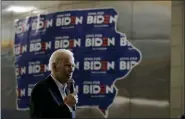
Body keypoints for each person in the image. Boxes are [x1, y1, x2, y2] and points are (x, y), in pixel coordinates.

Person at [29, 49, 78, 119]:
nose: (71, 69)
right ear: (54, 67)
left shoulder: (67, 91)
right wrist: (68, 106)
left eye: (72, 66)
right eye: (67, 65)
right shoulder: (41, 89)